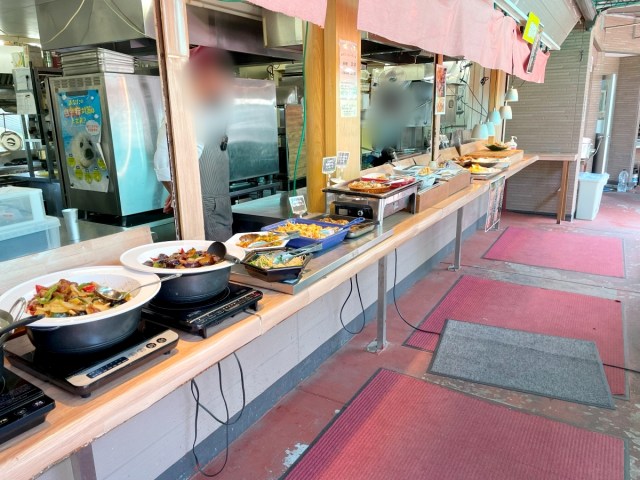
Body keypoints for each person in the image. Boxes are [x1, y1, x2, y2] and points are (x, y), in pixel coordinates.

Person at [153, 46, 234, 241]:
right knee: (213, 256)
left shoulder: (208, 109)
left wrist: (177, 192)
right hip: (203, 208)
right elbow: (163, 163)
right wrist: (180, 195)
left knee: (222, 255)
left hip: (217, 204)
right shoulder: (187, 111)